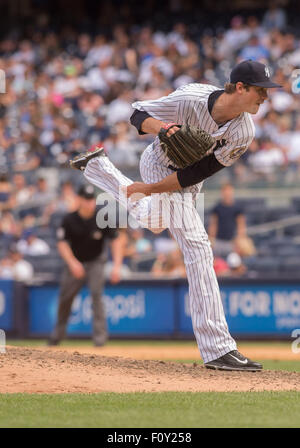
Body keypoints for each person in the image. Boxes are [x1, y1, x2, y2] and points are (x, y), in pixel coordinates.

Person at [70, 60, 281, 370]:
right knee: (197, 245)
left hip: (187, 180)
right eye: (261, 91)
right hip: (158, 162)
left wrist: (150, 190)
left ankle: (97, 167)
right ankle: (218, 348)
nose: (265, 97)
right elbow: (137, 113)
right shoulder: (191, 98)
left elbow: (200, 171)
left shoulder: (244, 130)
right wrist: (164, 128)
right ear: (240, 87)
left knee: (154, 223)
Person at [48, 184, 125, 347]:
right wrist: (73, 263)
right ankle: (56, 337)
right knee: (65, 298)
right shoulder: (69, 219)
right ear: (79, 200)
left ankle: (100, 340)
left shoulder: (102, 217)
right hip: (75, 262)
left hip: (96, 261)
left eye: (92, 199)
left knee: (97, 296)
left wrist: (117, 266)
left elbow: (116, 240)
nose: (90, 203)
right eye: (86, 199)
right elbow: (62, 243)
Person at [208, 182, 247, 257]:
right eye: (225, 191)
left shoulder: (237, 208)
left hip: (232, 242)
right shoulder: (217, 208)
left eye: (229, 191)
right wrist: (211, 240)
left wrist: (239, 240)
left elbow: (241, 225)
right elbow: (213, 224)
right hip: (218, 241)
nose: (227, 193)